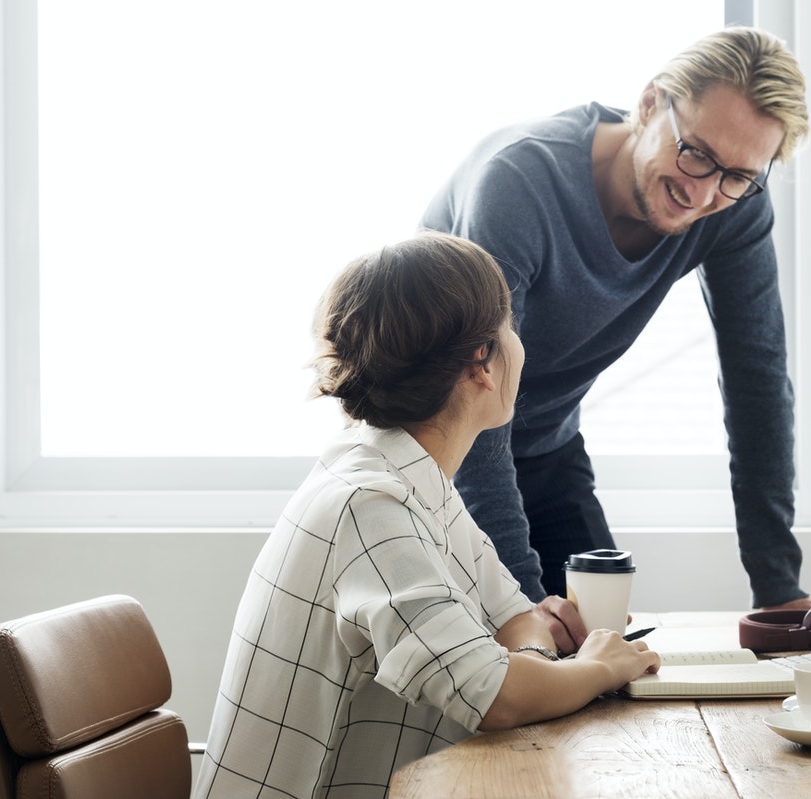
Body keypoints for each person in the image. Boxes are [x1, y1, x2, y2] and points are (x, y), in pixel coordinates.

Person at [193, 232, 660, 799]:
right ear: (481, 364)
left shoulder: (410, 480)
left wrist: (535, 660)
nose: (519, 342)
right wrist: (598, 667)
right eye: (509, 324)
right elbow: (494, 692)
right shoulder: (369, 505)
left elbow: (519, 618)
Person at [419, 26, 811, 631]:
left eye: (737, 176)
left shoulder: (736, 206)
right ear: (650, 104)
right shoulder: (517, 184)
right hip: (434, 448)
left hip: (545, 445)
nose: (702, 193)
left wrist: (777, 586)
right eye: (695, 152)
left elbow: (758, 378)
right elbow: (472, 387)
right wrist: (518, 601)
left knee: (605, 650)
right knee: (520, 657)